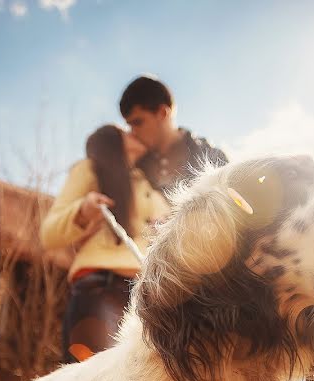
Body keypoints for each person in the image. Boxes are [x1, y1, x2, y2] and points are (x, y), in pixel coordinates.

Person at [40, 124, 170, 362]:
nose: (135, 133)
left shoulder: (145, 183)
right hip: (101, 289)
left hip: (146, 299)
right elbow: (49, 234)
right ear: (113, 142)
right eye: (127, 132)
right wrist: (83, 211)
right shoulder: (90, 170)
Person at [119, 75, 229, 196]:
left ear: (162, 113)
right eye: (129, 125)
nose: (132, 132)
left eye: (138, 122)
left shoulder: (213, 159)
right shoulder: (136, 165)